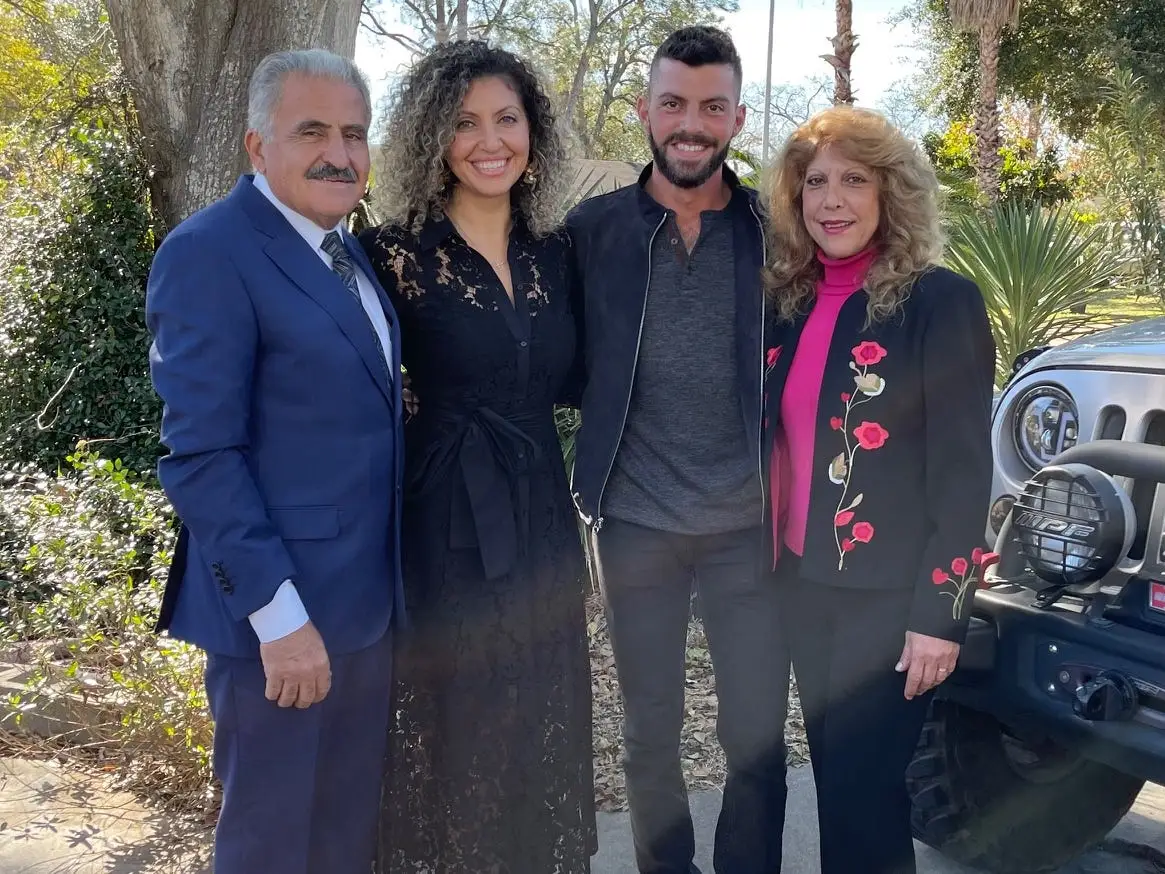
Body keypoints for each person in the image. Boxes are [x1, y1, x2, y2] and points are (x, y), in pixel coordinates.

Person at [144, 49, 405, 874]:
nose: (340, 152)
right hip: (282, 626)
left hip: (364, 611)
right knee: (269, 847)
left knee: (339, 843)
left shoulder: (344, 249)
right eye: (312, 131)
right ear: (258, 146)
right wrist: (278, 618)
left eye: (355, 133)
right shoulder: (210, 252)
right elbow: (201, 455)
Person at [357, 39, 596, 873]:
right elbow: (367, 395)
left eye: (506, 118)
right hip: (445, 526)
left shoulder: (558, 253)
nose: (488, 140)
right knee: (459, 716)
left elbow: (589, 378)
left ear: (532, 131)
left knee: (538, 710)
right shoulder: (389, 253)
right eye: (463, 123)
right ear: (432, 136)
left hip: (541, 517)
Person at [566, 25, 789, 874]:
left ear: (735, 117)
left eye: (711, 106)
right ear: (644, 110)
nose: (690, 124)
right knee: (648, 728)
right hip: (635, 522)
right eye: (673, 104)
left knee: (754, 734)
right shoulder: (591, 232)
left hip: (748, 524)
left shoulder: (778, 235)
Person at [761, 105, 996, 873]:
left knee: (863, 797)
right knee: (841, 787)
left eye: (852, 181)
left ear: (889, 191)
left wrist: (941, 617)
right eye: (814, 183)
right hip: (801, 587)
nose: (830, 200)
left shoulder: (939, 303)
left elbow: (964, 471)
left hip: (892, 602)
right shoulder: (788, 305)